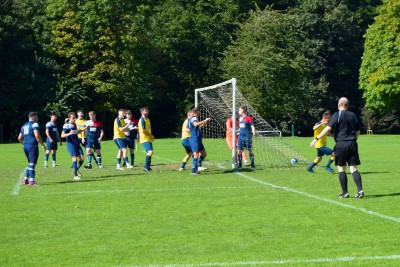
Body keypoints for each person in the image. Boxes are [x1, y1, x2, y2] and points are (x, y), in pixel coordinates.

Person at [310, 97, 364, 198]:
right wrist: (353, 140)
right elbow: (357, 131)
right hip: (352, 143)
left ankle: (345, 193)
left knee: (341, 168)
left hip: (341, 144)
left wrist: (316, 138)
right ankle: (360, 191)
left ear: (339, 105)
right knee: (353, 168)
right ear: (348, 105)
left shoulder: (337, 114)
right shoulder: (353, 115)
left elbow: (328, 128)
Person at [18, 112, 46, 186]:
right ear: (33, 117)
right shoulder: (34, 124)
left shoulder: (23, 126)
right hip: (32, 146)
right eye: (36, 117)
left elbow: (19, 138)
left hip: (26, 146)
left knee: (30, 162)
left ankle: (25, 179)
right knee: (32, 163)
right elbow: (37, 135)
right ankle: (32, 181)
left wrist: (24, 144)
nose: (37, 118)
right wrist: (42, 144)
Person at [61, 112, 85, 181]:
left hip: (77, 143)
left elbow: (76, 132)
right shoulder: (66, 125)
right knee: (74, 158)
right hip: (70, 144)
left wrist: (85, 129)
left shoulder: (74, 124)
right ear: (69, 118)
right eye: (73, 118)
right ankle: (75, 175)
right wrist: (69, 133)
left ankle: (76, 169)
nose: (74, 119)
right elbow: (62, 135)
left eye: (75, 118)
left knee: (82, 159)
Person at [188, 107, 211, 175]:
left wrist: (203, 123)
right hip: (194, 139)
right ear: (196, 112)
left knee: (204, 154)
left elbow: (196, 127)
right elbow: (195, 124)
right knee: (196, 154)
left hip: (198, 139)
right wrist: (204, 120)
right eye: (199, 111)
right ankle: (193, 171)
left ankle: (197, 164)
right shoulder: (194, 118)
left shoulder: (195, 118)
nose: (200, 113)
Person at [138, 107, 154, 171]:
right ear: (142, 112)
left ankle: (148, 167)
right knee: (150, 152)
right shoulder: (142, 120)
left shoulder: (147, 119)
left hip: (148, 138)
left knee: (149, 152)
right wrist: (151, 135)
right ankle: (145, 167)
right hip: (144, 139)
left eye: (147, 110)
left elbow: (148, 129)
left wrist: (150, 137)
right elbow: (143, 131)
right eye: (145, 111)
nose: (147, 112)